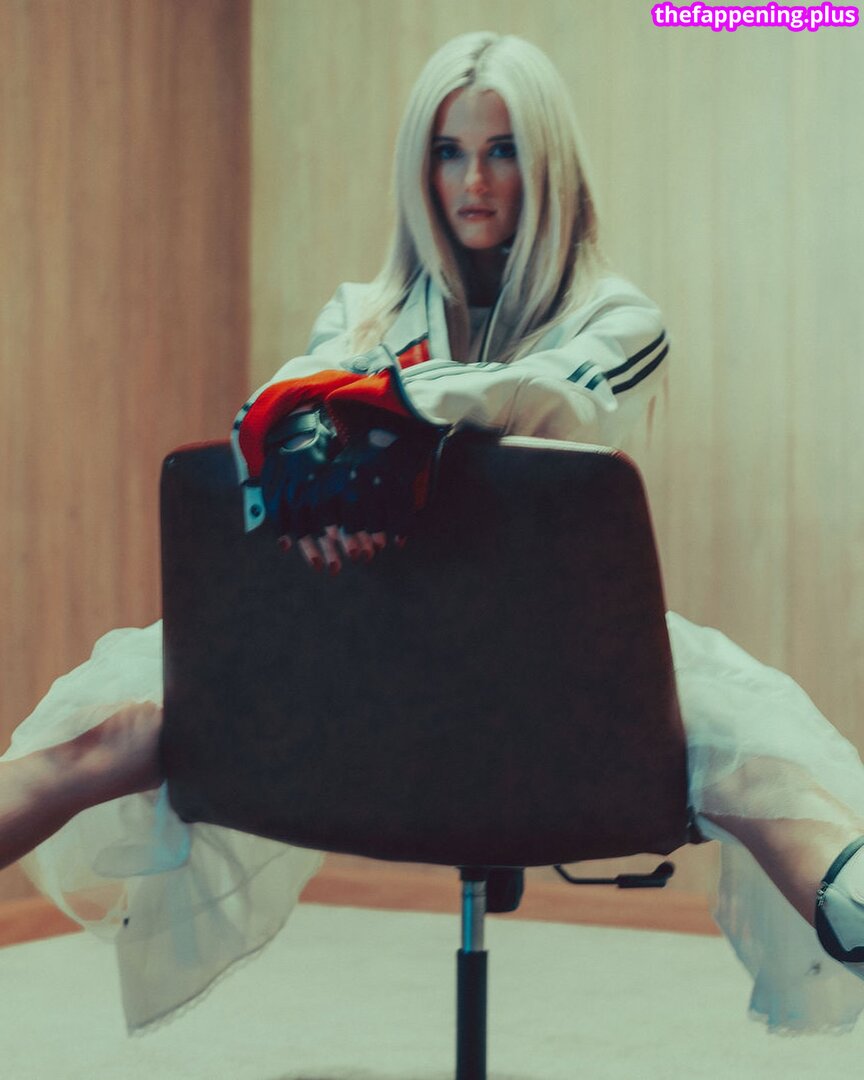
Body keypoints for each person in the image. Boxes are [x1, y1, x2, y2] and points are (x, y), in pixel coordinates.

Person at [4, 31, 864, 1036]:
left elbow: (550, 402)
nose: (474, 181)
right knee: (122, 724)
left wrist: (383, 411)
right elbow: (280, 416)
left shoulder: (619, 319)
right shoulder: (359, 316)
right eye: (449, 152)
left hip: (543, 653)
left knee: (752, 754)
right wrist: (321, 453)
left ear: (548, 164)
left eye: (502, 151)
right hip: (362, 646)